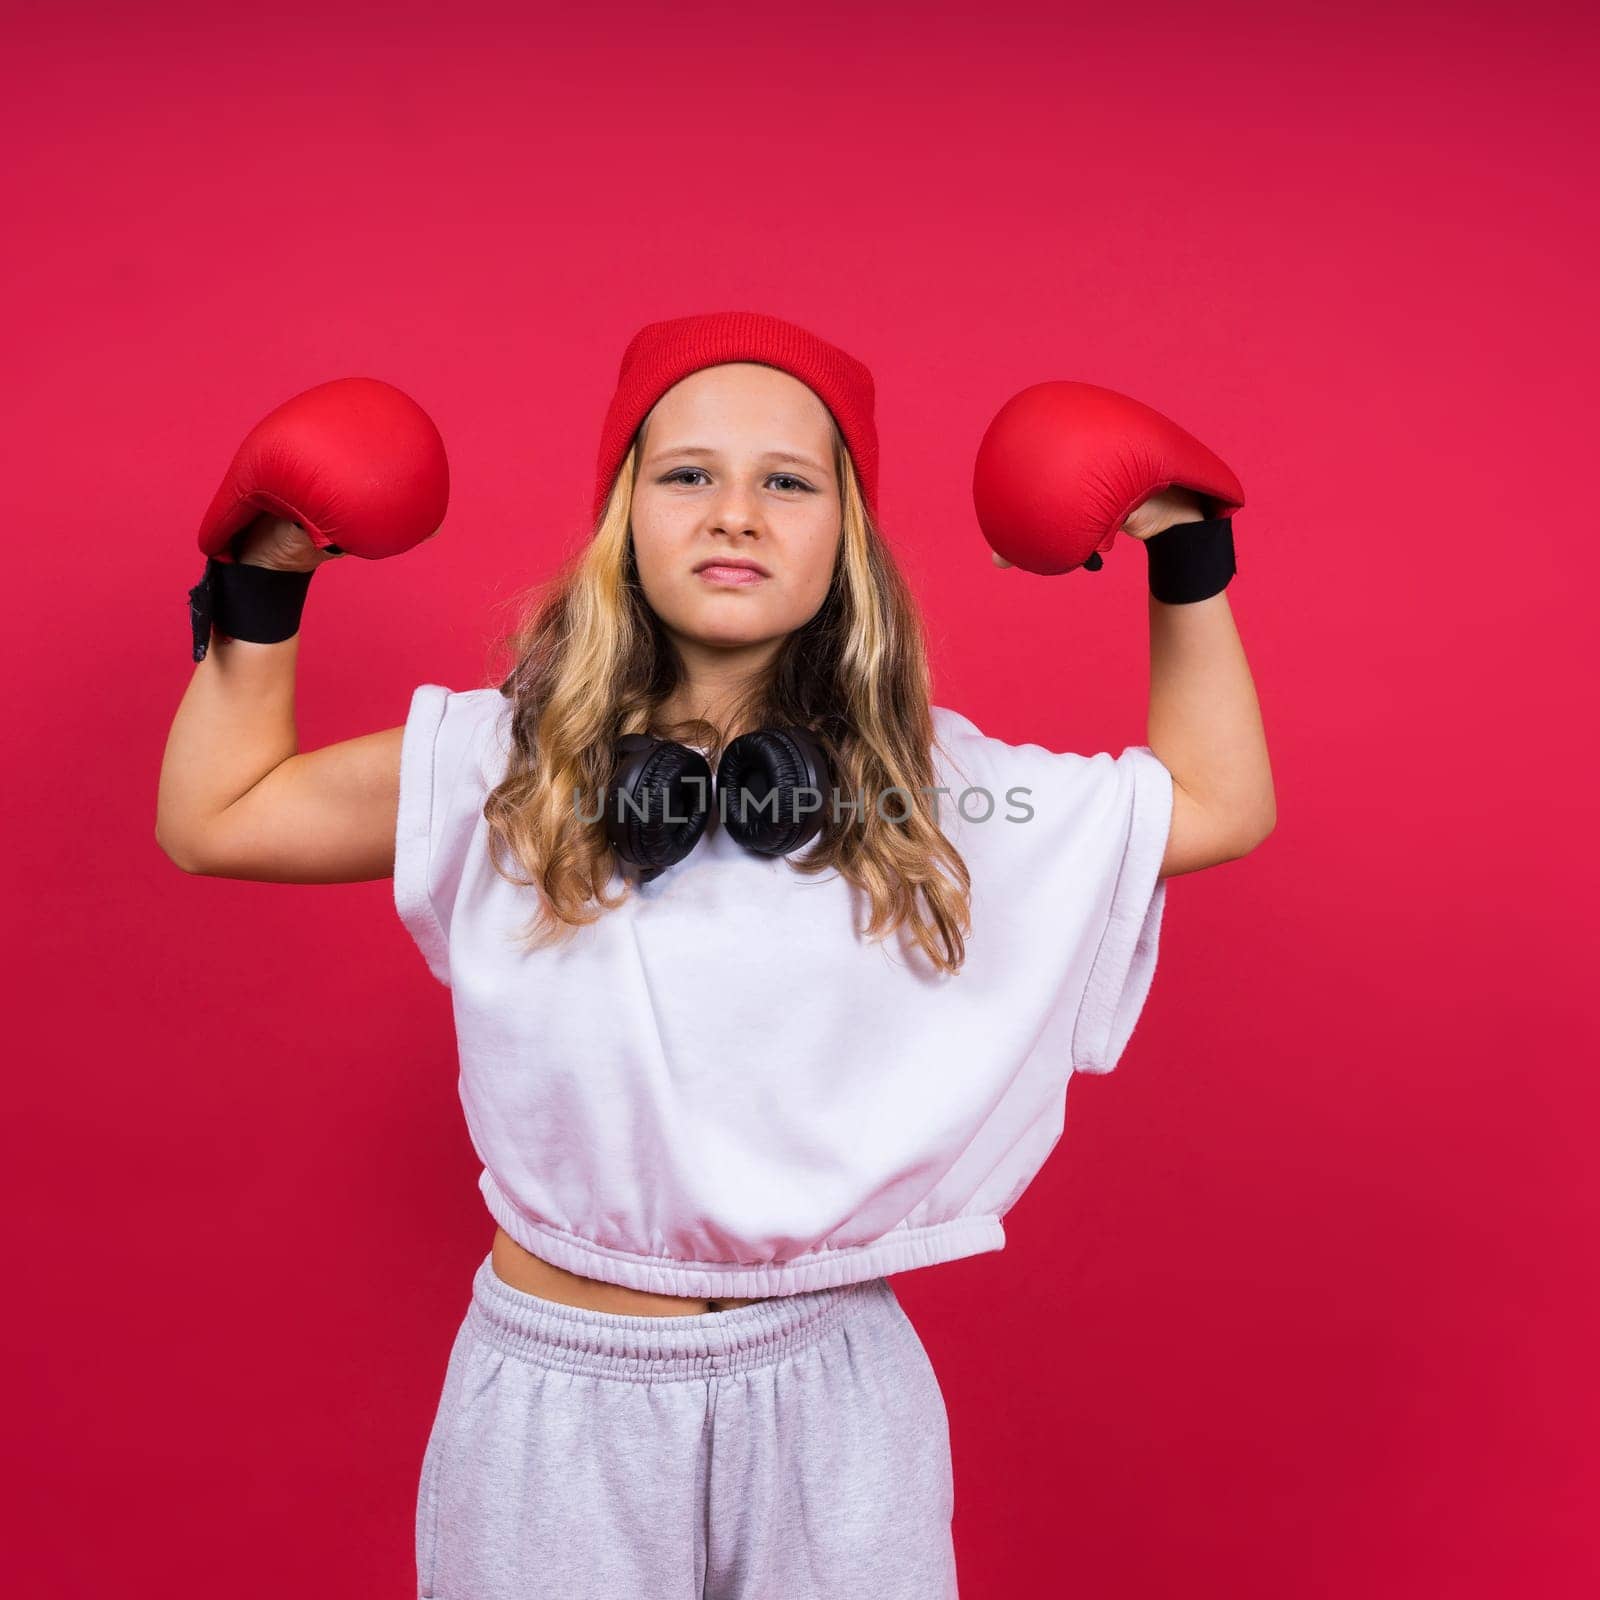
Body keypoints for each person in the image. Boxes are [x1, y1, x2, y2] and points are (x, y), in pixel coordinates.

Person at [156, 309, 1275, 1599]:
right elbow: (217, 814)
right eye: (688, 473)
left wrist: (1185, 554)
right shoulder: (498, 766)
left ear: (845, 540)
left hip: (832, 1385)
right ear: (623, 515)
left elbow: (1218, 803)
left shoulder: (936, 792)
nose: (734, 511)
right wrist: (267, 569)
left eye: (786, 482)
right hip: (555, 1396)